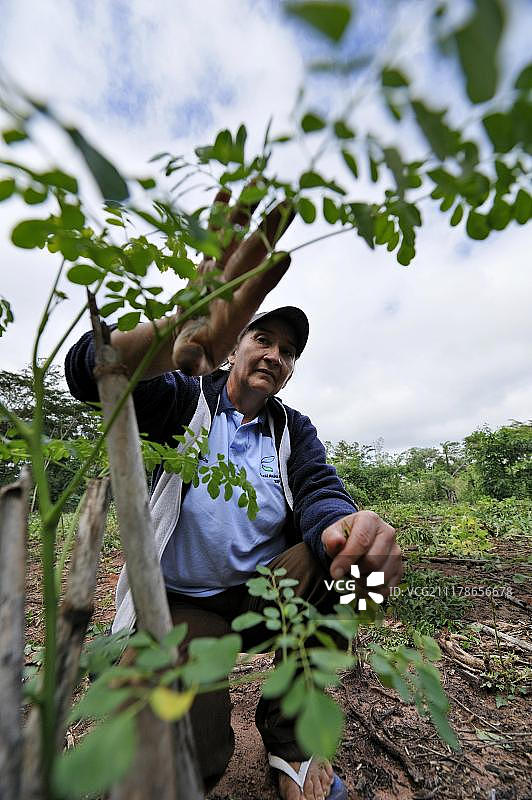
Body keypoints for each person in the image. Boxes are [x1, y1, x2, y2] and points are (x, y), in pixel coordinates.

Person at [65, 195, 403, 800]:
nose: (275, 355)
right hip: (185, 604)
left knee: (356, 570)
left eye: (288, 351)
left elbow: (320, 489)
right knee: (191, 750)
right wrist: (173, 334)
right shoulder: (185, 397)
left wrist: (343, 527)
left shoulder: (291, 428)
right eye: (263, 339)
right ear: (236, 344)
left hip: (264, 592)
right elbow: (93, 372)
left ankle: (293, 744)